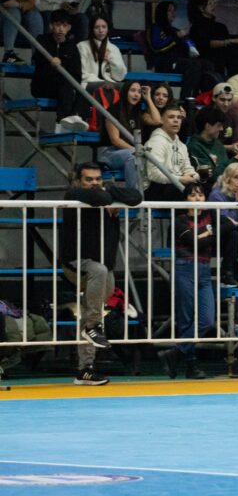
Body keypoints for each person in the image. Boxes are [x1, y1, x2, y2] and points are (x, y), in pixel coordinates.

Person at [60, 162, 142, 385]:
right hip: (76, 262)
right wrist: (109, 198)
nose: (95, 183)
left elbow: (136, 196)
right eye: (89, 179)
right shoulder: (73, 193)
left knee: (90, 313)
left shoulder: (104, 192)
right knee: (94, 317)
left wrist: (111, 194)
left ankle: (85, 369)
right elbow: (100, 199)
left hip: (105, 268)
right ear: (78, 180)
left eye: (98, 179)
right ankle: (93, 328)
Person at [158, 183, 211, 380]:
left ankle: (174, 353)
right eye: (192, 195)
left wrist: (205, 234)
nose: (197, 199)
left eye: (200, 195)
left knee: (207, 319)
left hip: (204, 270)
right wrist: (207, 234)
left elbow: (227, 227)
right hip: (184, 268)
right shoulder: (179, 221)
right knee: (186, 318)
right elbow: (196, 242)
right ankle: (190, 365)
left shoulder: (210, 216)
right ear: (185, 200)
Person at [31, 9, 88, 132]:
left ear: (69, 28)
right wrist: (50, 63)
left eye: (64, 25)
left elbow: (77, 75)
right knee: (65, 84)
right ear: (51, 26)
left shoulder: (72, 47)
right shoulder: (42, 40)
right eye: (57, 25)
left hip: (63, 88)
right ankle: (67, 119)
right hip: (42, 85)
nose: (61, 29)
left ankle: (68, 118)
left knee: (80, 87)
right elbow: (37, 62)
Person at [99, 81, 161, 191]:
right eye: (132, 91)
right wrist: (137, 150)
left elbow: (157, 120)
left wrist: (148, 99)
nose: (136, 94)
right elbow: (115, 140)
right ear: (124, 92)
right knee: (133, 156)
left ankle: (143, 190)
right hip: (110, 153)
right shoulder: (113, 110)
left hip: (132, 153)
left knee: (142, 156)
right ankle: (133, 193)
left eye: (139, 92)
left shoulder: (138, 113)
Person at [147, 0, 214, 98]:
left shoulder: (174, 30)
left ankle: (204, 97)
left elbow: (187, 44)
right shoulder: (155, 28)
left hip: (180, 62)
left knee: (206, 64)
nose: (173, 13)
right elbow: (156, 46)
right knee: (193, 65)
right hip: (164, 63)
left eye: (174, 11)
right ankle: (187, 99)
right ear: (162, 12)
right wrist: (177, 36)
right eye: (170, 11)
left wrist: (190, 46)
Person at [208, 162, 238, 286]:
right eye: (236, 177)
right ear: (228, 178)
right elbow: (227, 221)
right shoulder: (217, 194)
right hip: (218, 235)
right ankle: (227, 272)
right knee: (235, 233)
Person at [143, 102, 199, 200]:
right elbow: (153, 174)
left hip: (175, 184)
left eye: (179, 117)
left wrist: (195, 176)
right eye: (171, 117)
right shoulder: (156, 142)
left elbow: (187, 168)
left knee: (203, 189)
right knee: (183, 192)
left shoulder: (181, 145)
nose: (176, 121)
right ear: (162, 120)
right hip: (155, 188)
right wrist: (180, 179)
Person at [187, 0, 238, 77]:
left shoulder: (221, 27)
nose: (214, 6)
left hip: (222, 62)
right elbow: (205, 44)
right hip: (207, 62)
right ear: (201, 8)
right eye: (210, 3)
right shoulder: (196, 27)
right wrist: (231, 41)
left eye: (214, 3)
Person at [187, 106, 238, 186]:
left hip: (228, 184)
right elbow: (213, 176)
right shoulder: (194, 147)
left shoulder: (217, 143)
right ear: (207, 126)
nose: (221, 129)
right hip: (211, 187)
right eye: (219, 125)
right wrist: (236, 159)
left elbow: (223, 167)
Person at [77, 15, 126, 90]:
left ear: (108, 29)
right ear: (92, 29)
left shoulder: (113, 48)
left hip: (109, 85)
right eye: (97, 27)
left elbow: (119, 77)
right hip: (88, 84)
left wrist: (111, 59)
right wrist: (102, 82)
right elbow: (82, 73)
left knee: (127, 89)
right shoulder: (82, 46)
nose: (101, 30)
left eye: (104, 27)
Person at [1, 0, 42, 64]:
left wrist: (18, 4)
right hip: (4, 15)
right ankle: (8, 54)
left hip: (21, 13)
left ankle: (36, 56)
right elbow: (6, 2)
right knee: (14, 12)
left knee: (35, 16)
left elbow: (31, 3)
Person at [210, 82, 238, 154]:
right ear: (214, 98)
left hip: (229, 151)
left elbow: (237, 139)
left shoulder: (234, 114)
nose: (226, 104)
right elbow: (205, 144)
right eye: (222, 100)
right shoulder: (205, 114)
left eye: (229, 100)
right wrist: (229, 147)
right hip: (210, 151)